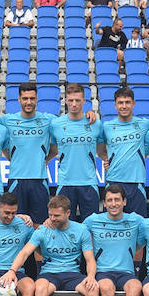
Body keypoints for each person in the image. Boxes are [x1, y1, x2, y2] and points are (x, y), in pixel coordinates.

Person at [1, 194, 100, 296]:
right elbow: (25, 252)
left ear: (68, 213)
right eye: (50, 215)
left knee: (93, 289)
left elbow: (90, 259)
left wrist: (90, 276)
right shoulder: (43, 230)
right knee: (39, 288)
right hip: (49, 274)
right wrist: (12, 270)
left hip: (72, 275)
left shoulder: (81, 230)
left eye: (57, 216)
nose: (52, 219)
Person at [85, 184, 146, 296]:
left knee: (136, 288)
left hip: (126, 272)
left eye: (117, 200)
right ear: (104, 203)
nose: (113, 204)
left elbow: (143, 240)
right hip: (103, 271)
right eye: (109, 200)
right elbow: (72, 229)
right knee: (105, 288)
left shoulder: (136, 220)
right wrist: (48, 220)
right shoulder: (93, 220)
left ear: (124, 202)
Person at [0, 82, 57, 225]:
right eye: (25, 98)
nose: (28, 102)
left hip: (39, 179)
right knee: (16, 223)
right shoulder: (6, 120)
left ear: (37, 99)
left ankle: (36, 249)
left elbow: (54, 148)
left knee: (40, 225)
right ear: (19, 99)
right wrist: (14, 158)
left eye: (32, 98)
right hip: (17, 180)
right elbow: (2, 144)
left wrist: (45, 159)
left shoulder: (49, 120)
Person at [50, 84, 104, 222]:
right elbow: (53, 149)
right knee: (63, 226)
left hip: (89, 183)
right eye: (71, 100)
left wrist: (109, 160)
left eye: (78, 100)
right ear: (66, 101)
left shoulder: (95, 124)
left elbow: (102, 149)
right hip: (65, 183)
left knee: (91, 227)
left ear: (84, 101)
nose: (74, 104)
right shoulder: (56, 125)